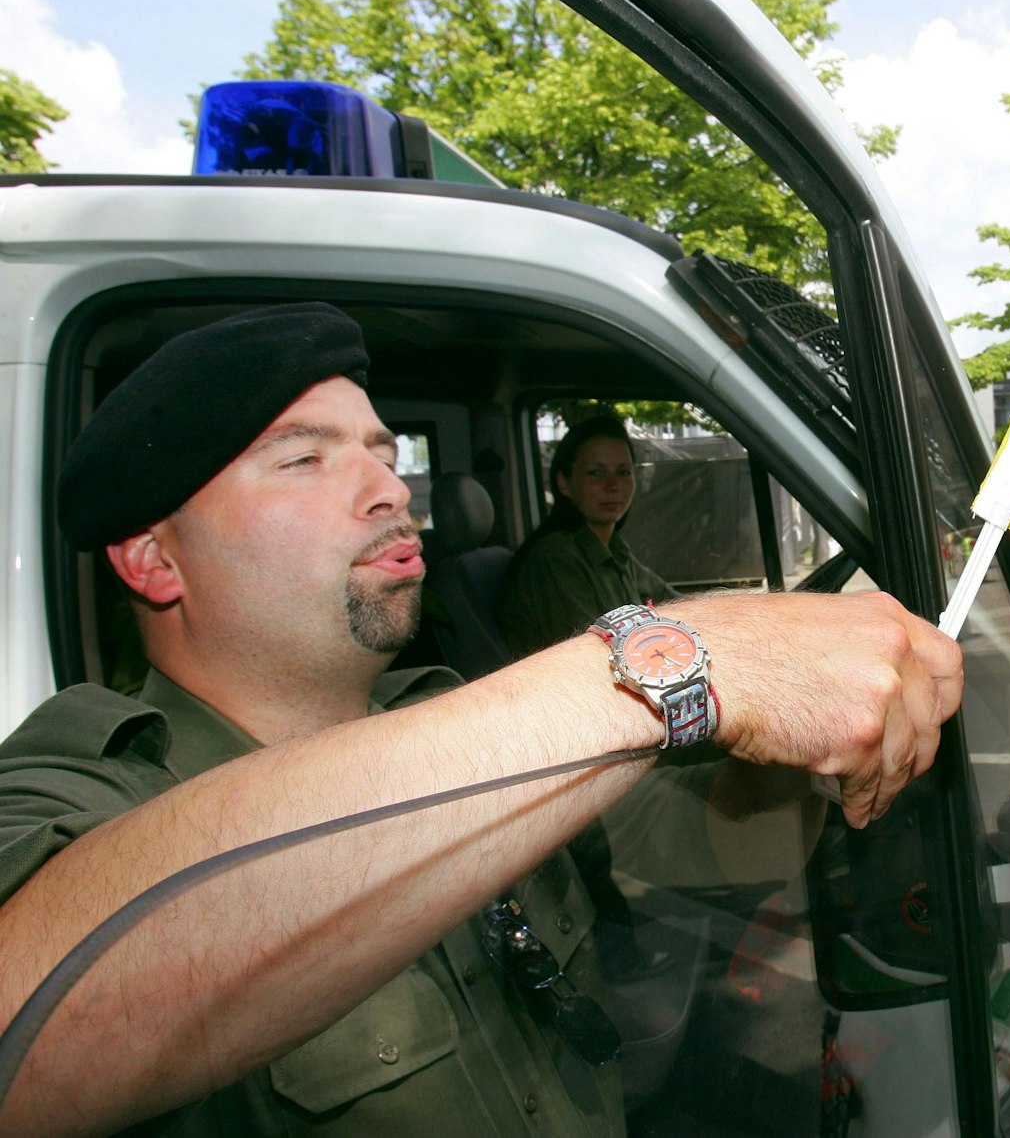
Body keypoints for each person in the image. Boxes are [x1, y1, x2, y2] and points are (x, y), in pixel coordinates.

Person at [0, 303, 960, 1136]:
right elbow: (34, 1023)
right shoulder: (86, 784)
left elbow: (702, 845)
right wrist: (673, 661)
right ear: (154, 561)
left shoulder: (438, 713)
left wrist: (799, 745)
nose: (391, 490)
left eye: (384, 452)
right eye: (303, 459)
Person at [502, 414, 677, 658]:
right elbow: (592, 655)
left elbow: (675, 602)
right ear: (564, 483)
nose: (613, 484)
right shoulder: (556, 557)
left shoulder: (614, 550)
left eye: (624, 472)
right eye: (596, 473)